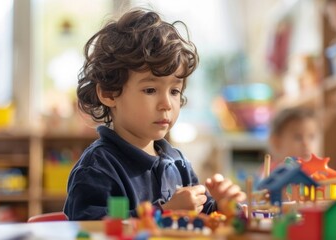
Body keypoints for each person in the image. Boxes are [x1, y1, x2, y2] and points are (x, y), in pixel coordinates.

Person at [63, 8, 246, 220]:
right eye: (150, 90)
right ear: (109, 93)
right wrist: (165, 212)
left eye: (175, 91)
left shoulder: (178, 164)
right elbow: (91, 227)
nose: (166, 104)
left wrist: (222, 207)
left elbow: (201, 219)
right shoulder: (97, 168)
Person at [265, 107, 320, 173]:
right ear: (276, 142)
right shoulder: (270, 172)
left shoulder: (317, 173)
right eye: (298, 137)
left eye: (311, 137)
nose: (306, 143)